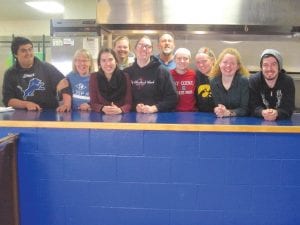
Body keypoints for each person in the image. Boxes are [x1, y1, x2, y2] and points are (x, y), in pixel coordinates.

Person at [2, 36, 71, 112]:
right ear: (15, 54)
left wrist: (66, 104)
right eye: (23, 50)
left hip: (49, 114)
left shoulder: (47, 68)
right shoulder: (10, 74)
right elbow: (8, 100)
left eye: (30, 49)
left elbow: (64, 84)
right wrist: (26, 104)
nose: (28, 53)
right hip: (22, 117)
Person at [124, 35, 178, 113]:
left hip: (158, 118)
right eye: (140, 45)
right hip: (132, 118)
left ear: (151, 51)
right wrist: (134, 106)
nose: (144, 48)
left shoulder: (162, 71)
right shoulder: (127, 73)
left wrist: (154, 108)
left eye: (148, 46)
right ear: (135, 48)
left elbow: (173, 98)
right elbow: (122, 98)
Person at [249, 49, 295, 120]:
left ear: (279, 67)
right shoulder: (254, 81)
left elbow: (289, 108)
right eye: (265, 65)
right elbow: (252, 106)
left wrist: (277, 113)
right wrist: (262, 112)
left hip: (282, 123)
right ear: (261, 67)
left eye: (273, 64)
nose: (269, 69)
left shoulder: (288, 81)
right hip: (258, 122)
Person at [89, 47, 132, 114]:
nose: (108, 64)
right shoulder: (94, 77)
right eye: (103, 60)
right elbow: (93, 103)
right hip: (100, 119)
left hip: (122, 119)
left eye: (110, 59)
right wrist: (102, 108)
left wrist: (120, 110)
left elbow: (129, 103)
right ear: (99, 63)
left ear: (116, 61)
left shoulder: (125, 76)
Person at [210, 48, 250, 117]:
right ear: (219, 64)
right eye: (225, 62)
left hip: (241, 123)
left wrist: (229, 113)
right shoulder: (213, 82)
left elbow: (245, 109)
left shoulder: (244, 81)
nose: (228, 66)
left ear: (237, 66)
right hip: (221, 121)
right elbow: (218, 105)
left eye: (232, 63)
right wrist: (219, 110)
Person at [170, 47, 197, 111]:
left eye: (185, 58)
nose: (182, 61)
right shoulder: (168, 75)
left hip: (192, 112)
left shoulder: (194, 75)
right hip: (172, 113)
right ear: (174, 60)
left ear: (189, 60)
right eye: (179, 58)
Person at [194, 47, 216, 112]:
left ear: (212, 60)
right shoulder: (196, 75)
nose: (201, 65)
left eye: (204, 61)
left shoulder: (221, 75)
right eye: (198, 62)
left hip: (219, 116)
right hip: (201, 116)